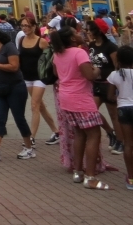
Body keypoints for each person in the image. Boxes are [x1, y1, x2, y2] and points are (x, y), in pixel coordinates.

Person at [51, 25, 108, 188]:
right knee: (94, 134)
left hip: (65, 97)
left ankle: (78, 171)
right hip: (81, 98)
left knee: (79, 133)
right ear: (72, 39)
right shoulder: (79, 52)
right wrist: (97, 70)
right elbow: (89, 75)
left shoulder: (58, 53)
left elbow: (56, 73)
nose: (79, 33)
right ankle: (90, 177)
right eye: (75, 33)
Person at [0, 23, 35, 160]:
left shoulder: (9, 47)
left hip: (15, 87)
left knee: (19, 118)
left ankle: (29, 147)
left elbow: (14, 66)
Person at [16, 17, 59, 145]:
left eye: (28, 26)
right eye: (23, 26)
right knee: (40, 106)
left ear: (34, 26)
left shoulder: (41, 42)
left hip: (40, 78)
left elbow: (50, 59)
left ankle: (31, 137)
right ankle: (56, 132)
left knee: (34, 105)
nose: (25, 28)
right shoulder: (21, 40)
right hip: (27, 77)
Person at [86, 18, 121, 154]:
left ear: (97, 31)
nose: (87, 32)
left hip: (109, 84)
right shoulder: (91, 45)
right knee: (91, 111)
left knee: (114, 114)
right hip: (96, 84)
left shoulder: (111, 47)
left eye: (89, 30)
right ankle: (110, 132)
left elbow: (117, 66)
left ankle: (121, 141)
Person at [105, 45, 133, 190]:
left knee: (128, 144)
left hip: (123, 109)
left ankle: (131, 178)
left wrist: (121, 98)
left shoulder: (114, 75)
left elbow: (110, 96)